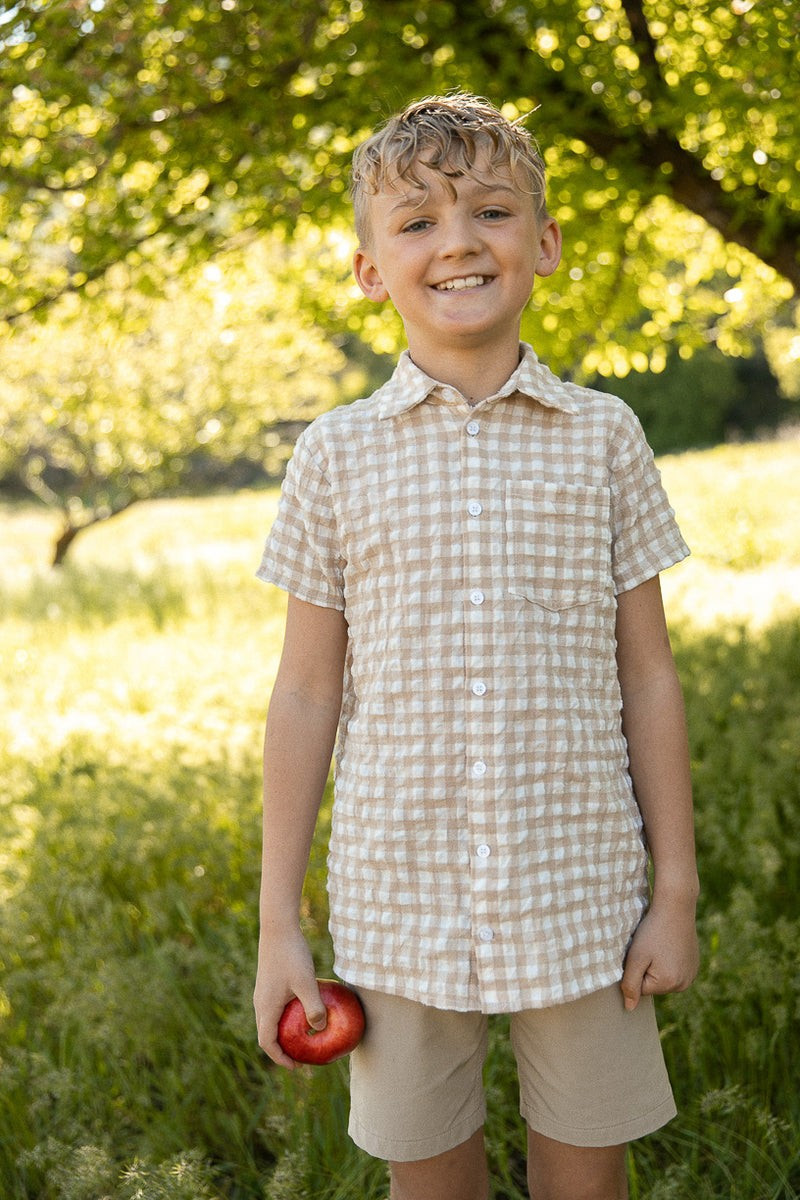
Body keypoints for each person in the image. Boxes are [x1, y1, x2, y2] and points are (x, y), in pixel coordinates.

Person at [253, 92, 700, 1200]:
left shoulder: (602, 436)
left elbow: (645, 674)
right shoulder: (334, 456)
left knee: (587, 1184)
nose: (456, 241)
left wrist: (675, 889)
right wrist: (278, 926)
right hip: (396, 902)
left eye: (490, 211)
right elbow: (306, 695)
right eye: (414, 223)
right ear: (368, 268)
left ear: (540, 244)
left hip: (581, 892)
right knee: (430, 1184)